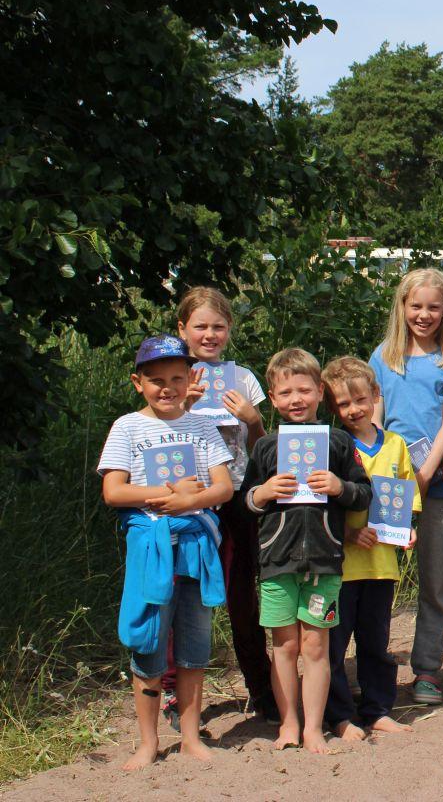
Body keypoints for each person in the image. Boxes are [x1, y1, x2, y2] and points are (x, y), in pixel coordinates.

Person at [99, 334, 233, 770]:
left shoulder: (201, 427)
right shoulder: (127, 426)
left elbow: (223, 487)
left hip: (196, 547)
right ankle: (147, 742)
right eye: (156, 380)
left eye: (177, 378)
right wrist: (169, 493)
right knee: (149, 645)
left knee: (194, 645)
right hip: (150, 549)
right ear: (138, 382)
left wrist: (188, 503)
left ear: (190, 378)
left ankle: (191, 737)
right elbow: (113, 491)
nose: (167, 388)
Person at [243, 348, 372, 754]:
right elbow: (244, 502)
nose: (296, 399)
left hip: (324, 562)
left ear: (320, 392)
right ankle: (288, 724)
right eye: (285, 392)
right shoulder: (265, 447)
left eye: (304, 390)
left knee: (316, 647)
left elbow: (364, 492)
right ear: (273, 397)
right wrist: (262, 494)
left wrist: (339, 487)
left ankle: (314, 728)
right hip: (277, 563)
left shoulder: (337, 442)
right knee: (284, 645)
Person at [175, 287, 274, 724]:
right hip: (190, 499)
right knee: (184, 594)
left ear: (229, 330)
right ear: (182, 329)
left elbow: (261, 449)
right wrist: (183, 408)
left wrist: (254, 420)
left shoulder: (243, 378)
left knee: (242, 594)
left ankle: (261, 689)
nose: (209, 335)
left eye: (218, 326)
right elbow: (158, 437)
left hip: (236, 495)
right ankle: (177, 696)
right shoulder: (173, 376)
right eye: (200, 326)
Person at [368, 268, 443, 707]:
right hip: (388, 489)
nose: (424, 315)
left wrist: (425, 473)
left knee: (434, 582)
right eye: (416, 306)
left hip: (438, 485)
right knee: (375, 581)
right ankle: (374, 668)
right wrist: (380, 474)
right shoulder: (382, 359)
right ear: (402, 308)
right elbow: (373, 420)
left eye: (433, 307)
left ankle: (427, 669)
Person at [322, 356, 420, 740]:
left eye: (360, 399)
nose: (353, 410)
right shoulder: (331, 446)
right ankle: (341, 716)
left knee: (377, 643)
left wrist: (408, 530)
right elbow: (318, 504)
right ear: (332, 408)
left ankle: (378, 709)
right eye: (343, 404)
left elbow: (408, 495)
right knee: (333, 647)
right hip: (340, 566)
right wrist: (347, 532)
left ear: (375, 395)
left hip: (381, 565)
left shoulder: (395, 444)